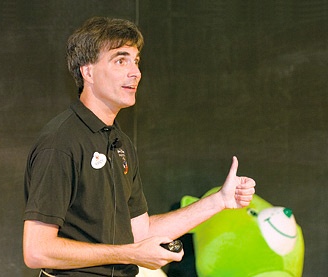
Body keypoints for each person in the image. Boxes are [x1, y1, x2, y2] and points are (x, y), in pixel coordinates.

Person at [23, 17, 256, 277]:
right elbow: (37, 250)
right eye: (120, 60)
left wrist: (219, 201)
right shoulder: (60, 142)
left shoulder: (120, 142)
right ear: (87, 71)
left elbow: (139, 232)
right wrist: (130, 253)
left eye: (136, 61)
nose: (135, 72)